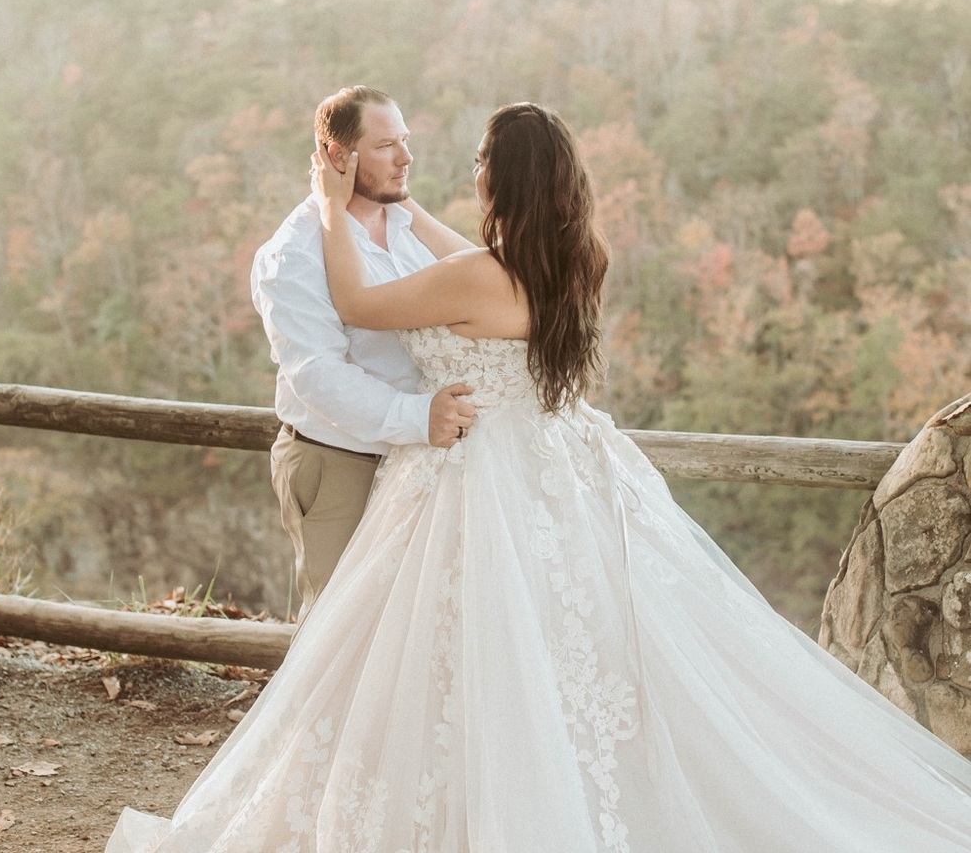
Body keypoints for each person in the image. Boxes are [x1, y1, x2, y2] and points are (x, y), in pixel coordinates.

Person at [107, 103, 971, 852]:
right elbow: (453, 251)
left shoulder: (478, 279)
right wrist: (406, 219)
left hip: (474, 472)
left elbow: (358, 306)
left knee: (454, 652)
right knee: (562, 649)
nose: (469, 172)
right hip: (557, 463)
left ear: (506, 181)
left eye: (483, 163)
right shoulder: (569, 258)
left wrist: (335, 211)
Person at [250, 86, 477, 617]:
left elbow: (484, 281)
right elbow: (319, 375)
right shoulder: (293, 254)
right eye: (385, 146)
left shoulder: (405, 227)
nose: (406, 158)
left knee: (416, 625)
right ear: (336, 156)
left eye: (405, 140)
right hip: (341, 461)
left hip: (423, 457)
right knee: (341, 628)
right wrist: (421, 416)